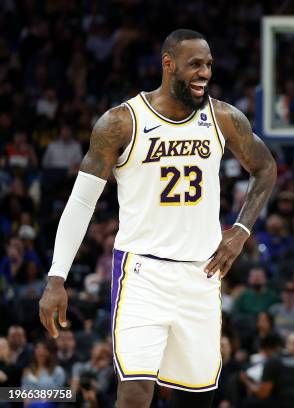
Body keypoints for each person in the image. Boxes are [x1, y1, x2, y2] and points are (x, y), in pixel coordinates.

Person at [38, 29, 277, 408]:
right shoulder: (121, 121)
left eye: (209, 65)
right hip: (141, 274)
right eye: (195, 64)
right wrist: (56, 277)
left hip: (202, 274)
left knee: (197, 397)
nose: (204, 73)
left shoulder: (224, 117)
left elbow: (265, 169)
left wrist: (240, 231)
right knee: (134, 391)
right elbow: (81, 203)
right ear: (168, 64)